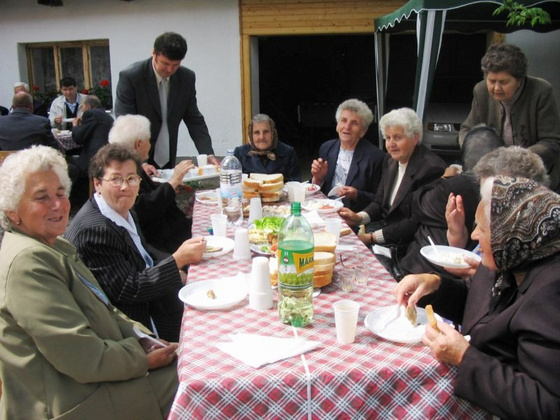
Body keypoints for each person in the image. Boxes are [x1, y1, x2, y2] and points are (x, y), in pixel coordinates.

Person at [0, 146, 179, 419]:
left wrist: (143, 339)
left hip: (99, 373)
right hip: (74, 401)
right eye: (41, 197)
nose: (58, 205)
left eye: (61, 193)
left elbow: (105, 308)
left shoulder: (54, 245)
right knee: (198, 382)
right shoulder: (28, 263)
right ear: (12, 211)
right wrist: (141, 358)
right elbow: (81, 357)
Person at [393, 176, 560, 418]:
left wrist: (464, 357)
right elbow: (477, 304)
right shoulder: (510, 257)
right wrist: (435, 285)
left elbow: (545, 405)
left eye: (482, 228)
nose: (473, 236)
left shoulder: (550, 294)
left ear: (508, 236)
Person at [65, 144, 205, 342]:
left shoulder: (122, 209)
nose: (125, 187)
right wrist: (176, 261)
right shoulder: (95, 230)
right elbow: (129, 290)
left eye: (131, 178)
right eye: (116, 179)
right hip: (136, 326)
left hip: (153, 300)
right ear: (97, 183)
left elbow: (143, 252)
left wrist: (177, 267)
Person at [391, 125, 505, 280]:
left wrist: (444, 178)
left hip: (430, 271)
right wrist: (456, 232)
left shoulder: (453, 186)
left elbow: (412, 206)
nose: (475, 234)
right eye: (388, 138)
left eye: (398, 137)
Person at [338, 108, 447, 253]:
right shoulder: (390, 160)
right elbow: (379, 203)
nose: (391, 144)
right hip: (383, 231)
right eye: (388, 138)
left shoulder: (430, 169)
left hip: (409, 245)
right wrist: (358, 218)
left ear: (415, 138)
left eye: (397, 137)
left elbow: (414, 221)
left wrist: (372, 237)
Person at [459, 43, 560, 191]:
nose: (496, 88)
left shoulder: (541, 91)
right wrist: (477, 151)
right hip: (492, 178)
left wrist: (513, 160)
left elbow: (551, 142)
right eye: (491, 81)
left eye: (504, 82)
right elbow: (466, 131)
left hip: (534, 179)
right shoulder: (480, 91)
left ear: (519, 81)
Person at [115, 32, 217, 169]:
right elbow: (125, 125)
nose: (170, 69)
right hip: (138, 160)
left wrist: (208, 153)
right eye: (165, 63)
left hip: (168, 157)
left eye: (175, 65)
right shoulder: (131, 77)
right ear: (154, 53)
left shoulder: (186, 78)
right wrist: (139, 163)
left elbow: (194, 120)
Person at [108, 114, 194, 253]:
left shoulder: (133, 165)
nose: (150, 145)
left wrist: (169, 188)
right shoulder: (122, 172)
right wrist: (173, 182)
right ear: (139, 144)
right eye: (149, 140)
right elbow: (143, 208)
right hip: (159, 244)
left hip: (167, 232)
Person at [310, 99, 385, 212]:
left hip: (353, 215)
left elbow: (380, 200)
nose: (347, 127)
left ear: (363, 131)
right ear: (337, 125)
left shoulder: (375, 157)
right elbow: (319, 190)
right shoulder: (327, 148)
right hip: (325, 210)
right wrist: (318, 179)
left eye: (354, 123)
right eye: (343, 120)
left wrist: (357, 195)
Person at [234, 113, 301, 181]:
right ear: (251, 135)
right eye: (257, 132)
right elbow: (233, 183)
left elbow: (295, 183)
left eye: (266, 132)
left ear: (273, 133)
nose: (261, 137)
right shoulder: (239, 154)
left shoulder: (288, 153)